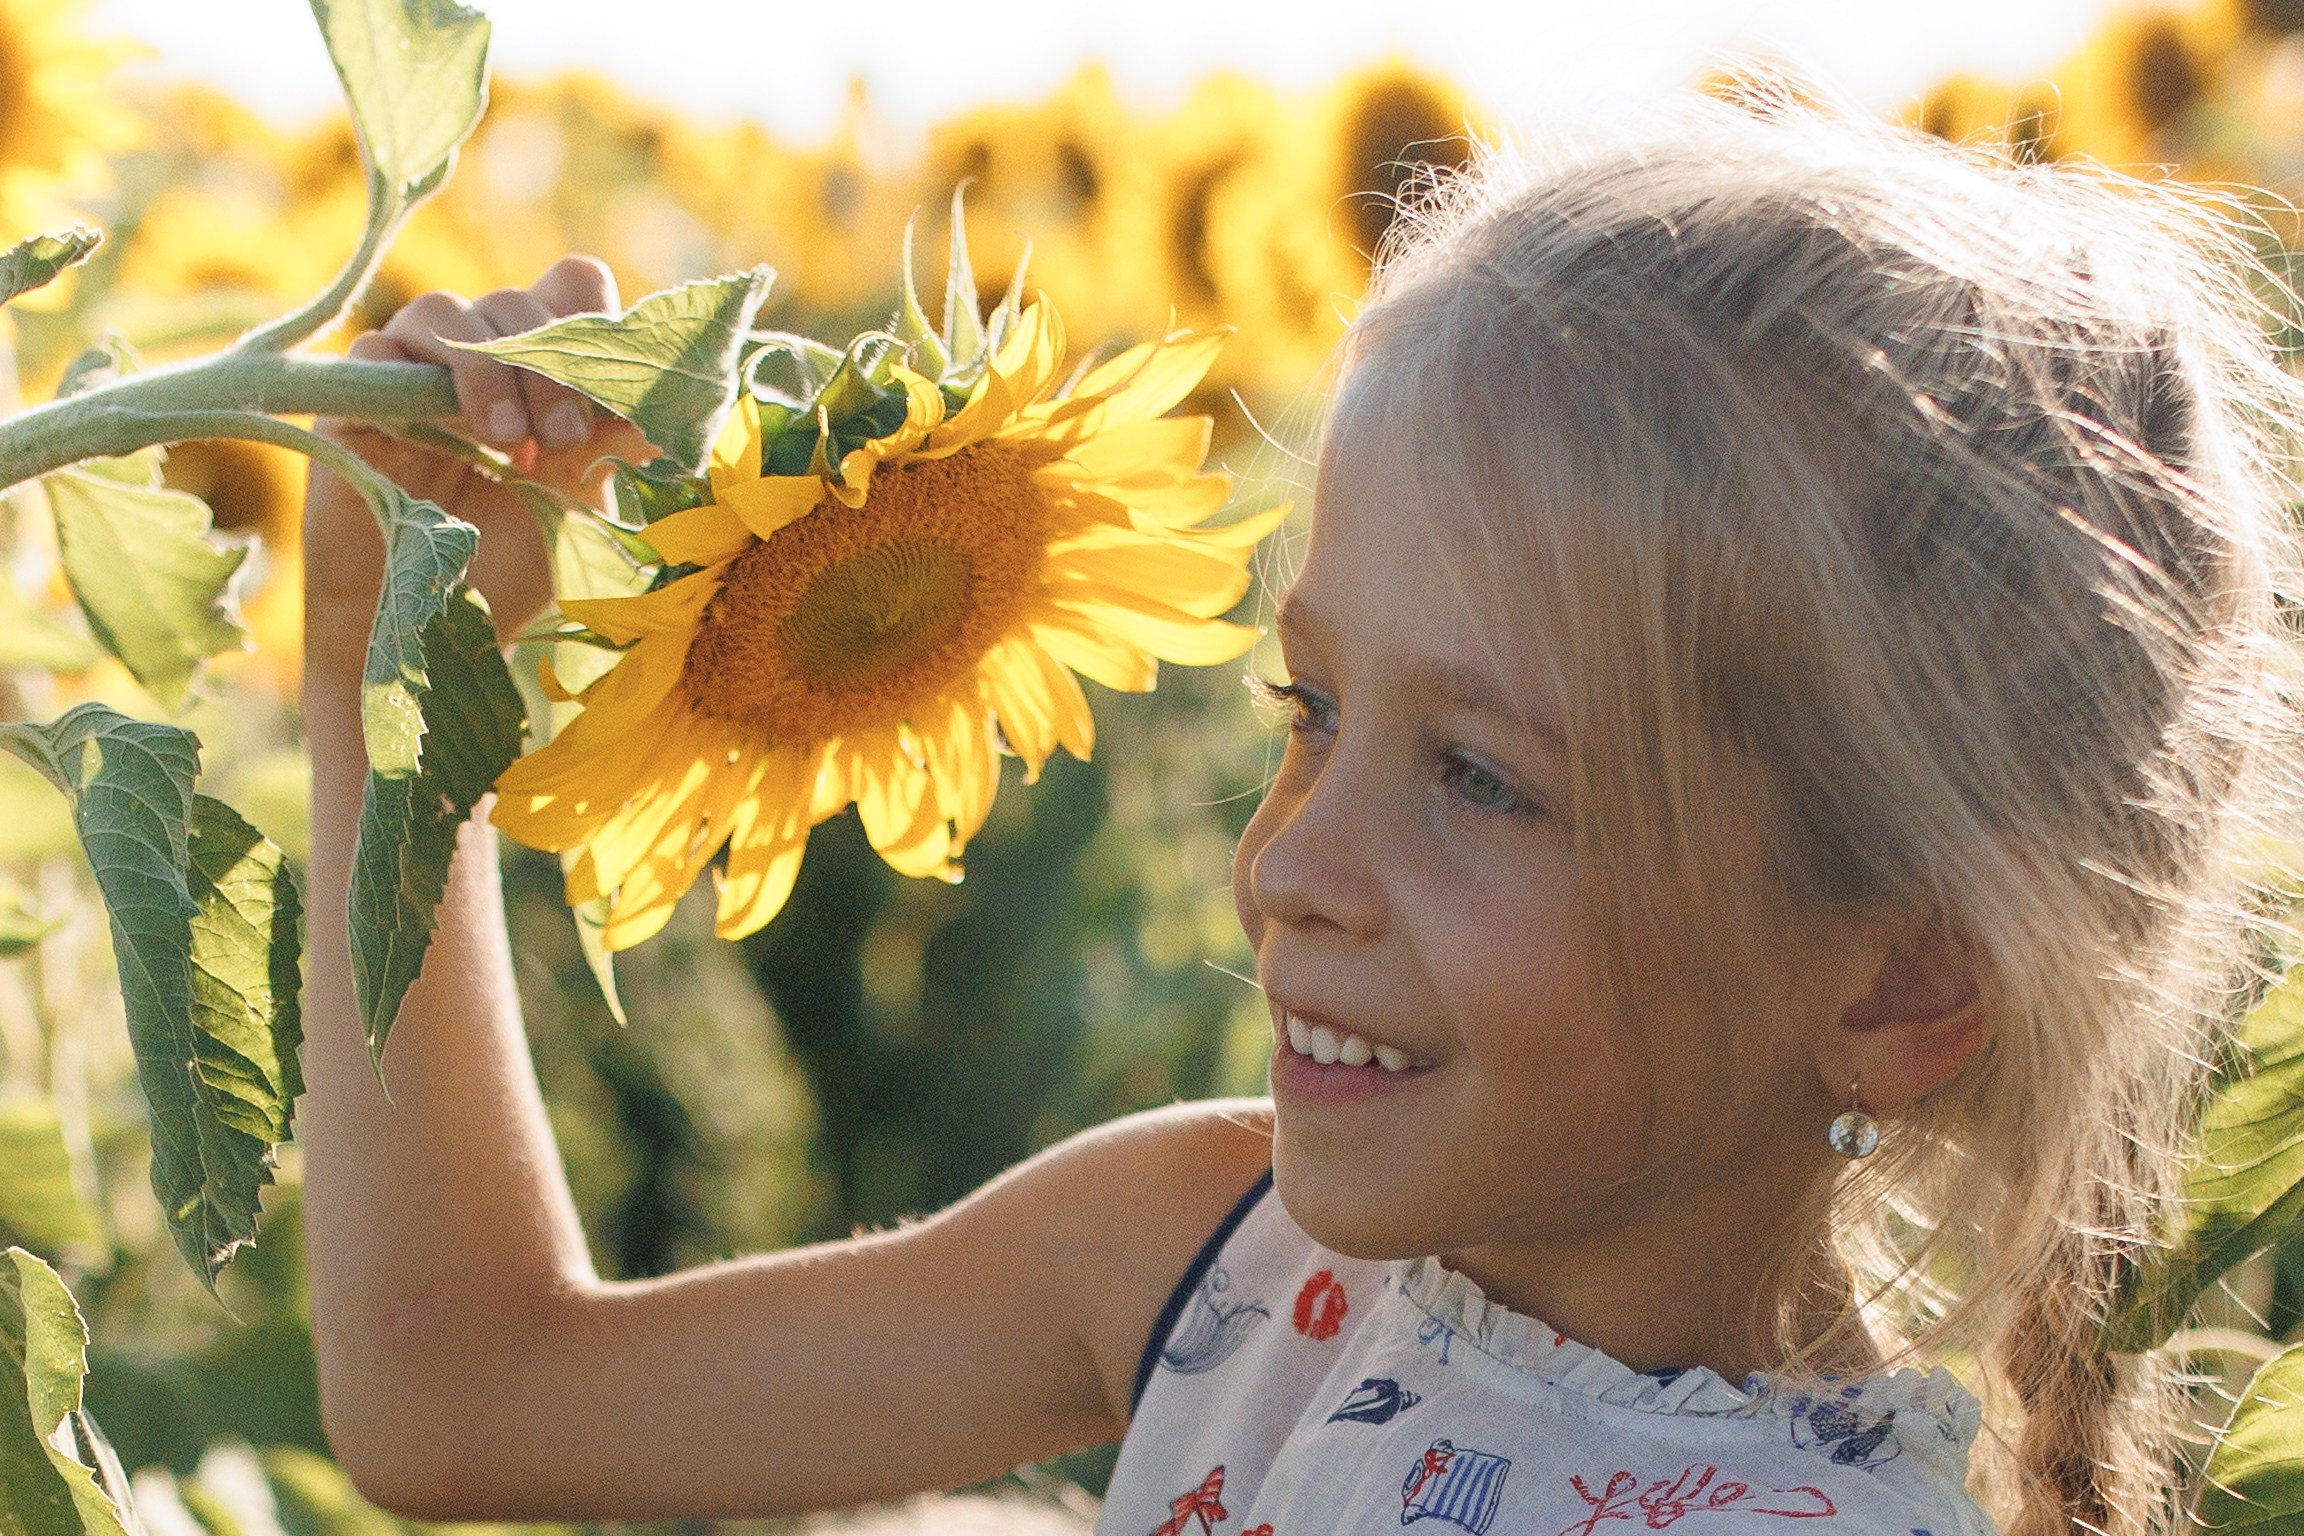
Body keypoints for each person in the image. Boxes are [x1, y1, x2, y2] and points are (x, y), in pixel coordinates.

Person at [296, 97, 2304, 1536]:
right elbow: (463, 1392)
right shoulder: (1209, 1268)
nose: (1288, 868)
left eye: (1482, 780)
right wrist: (390, 680)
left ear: (1900, 980)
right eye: (1311, 712)